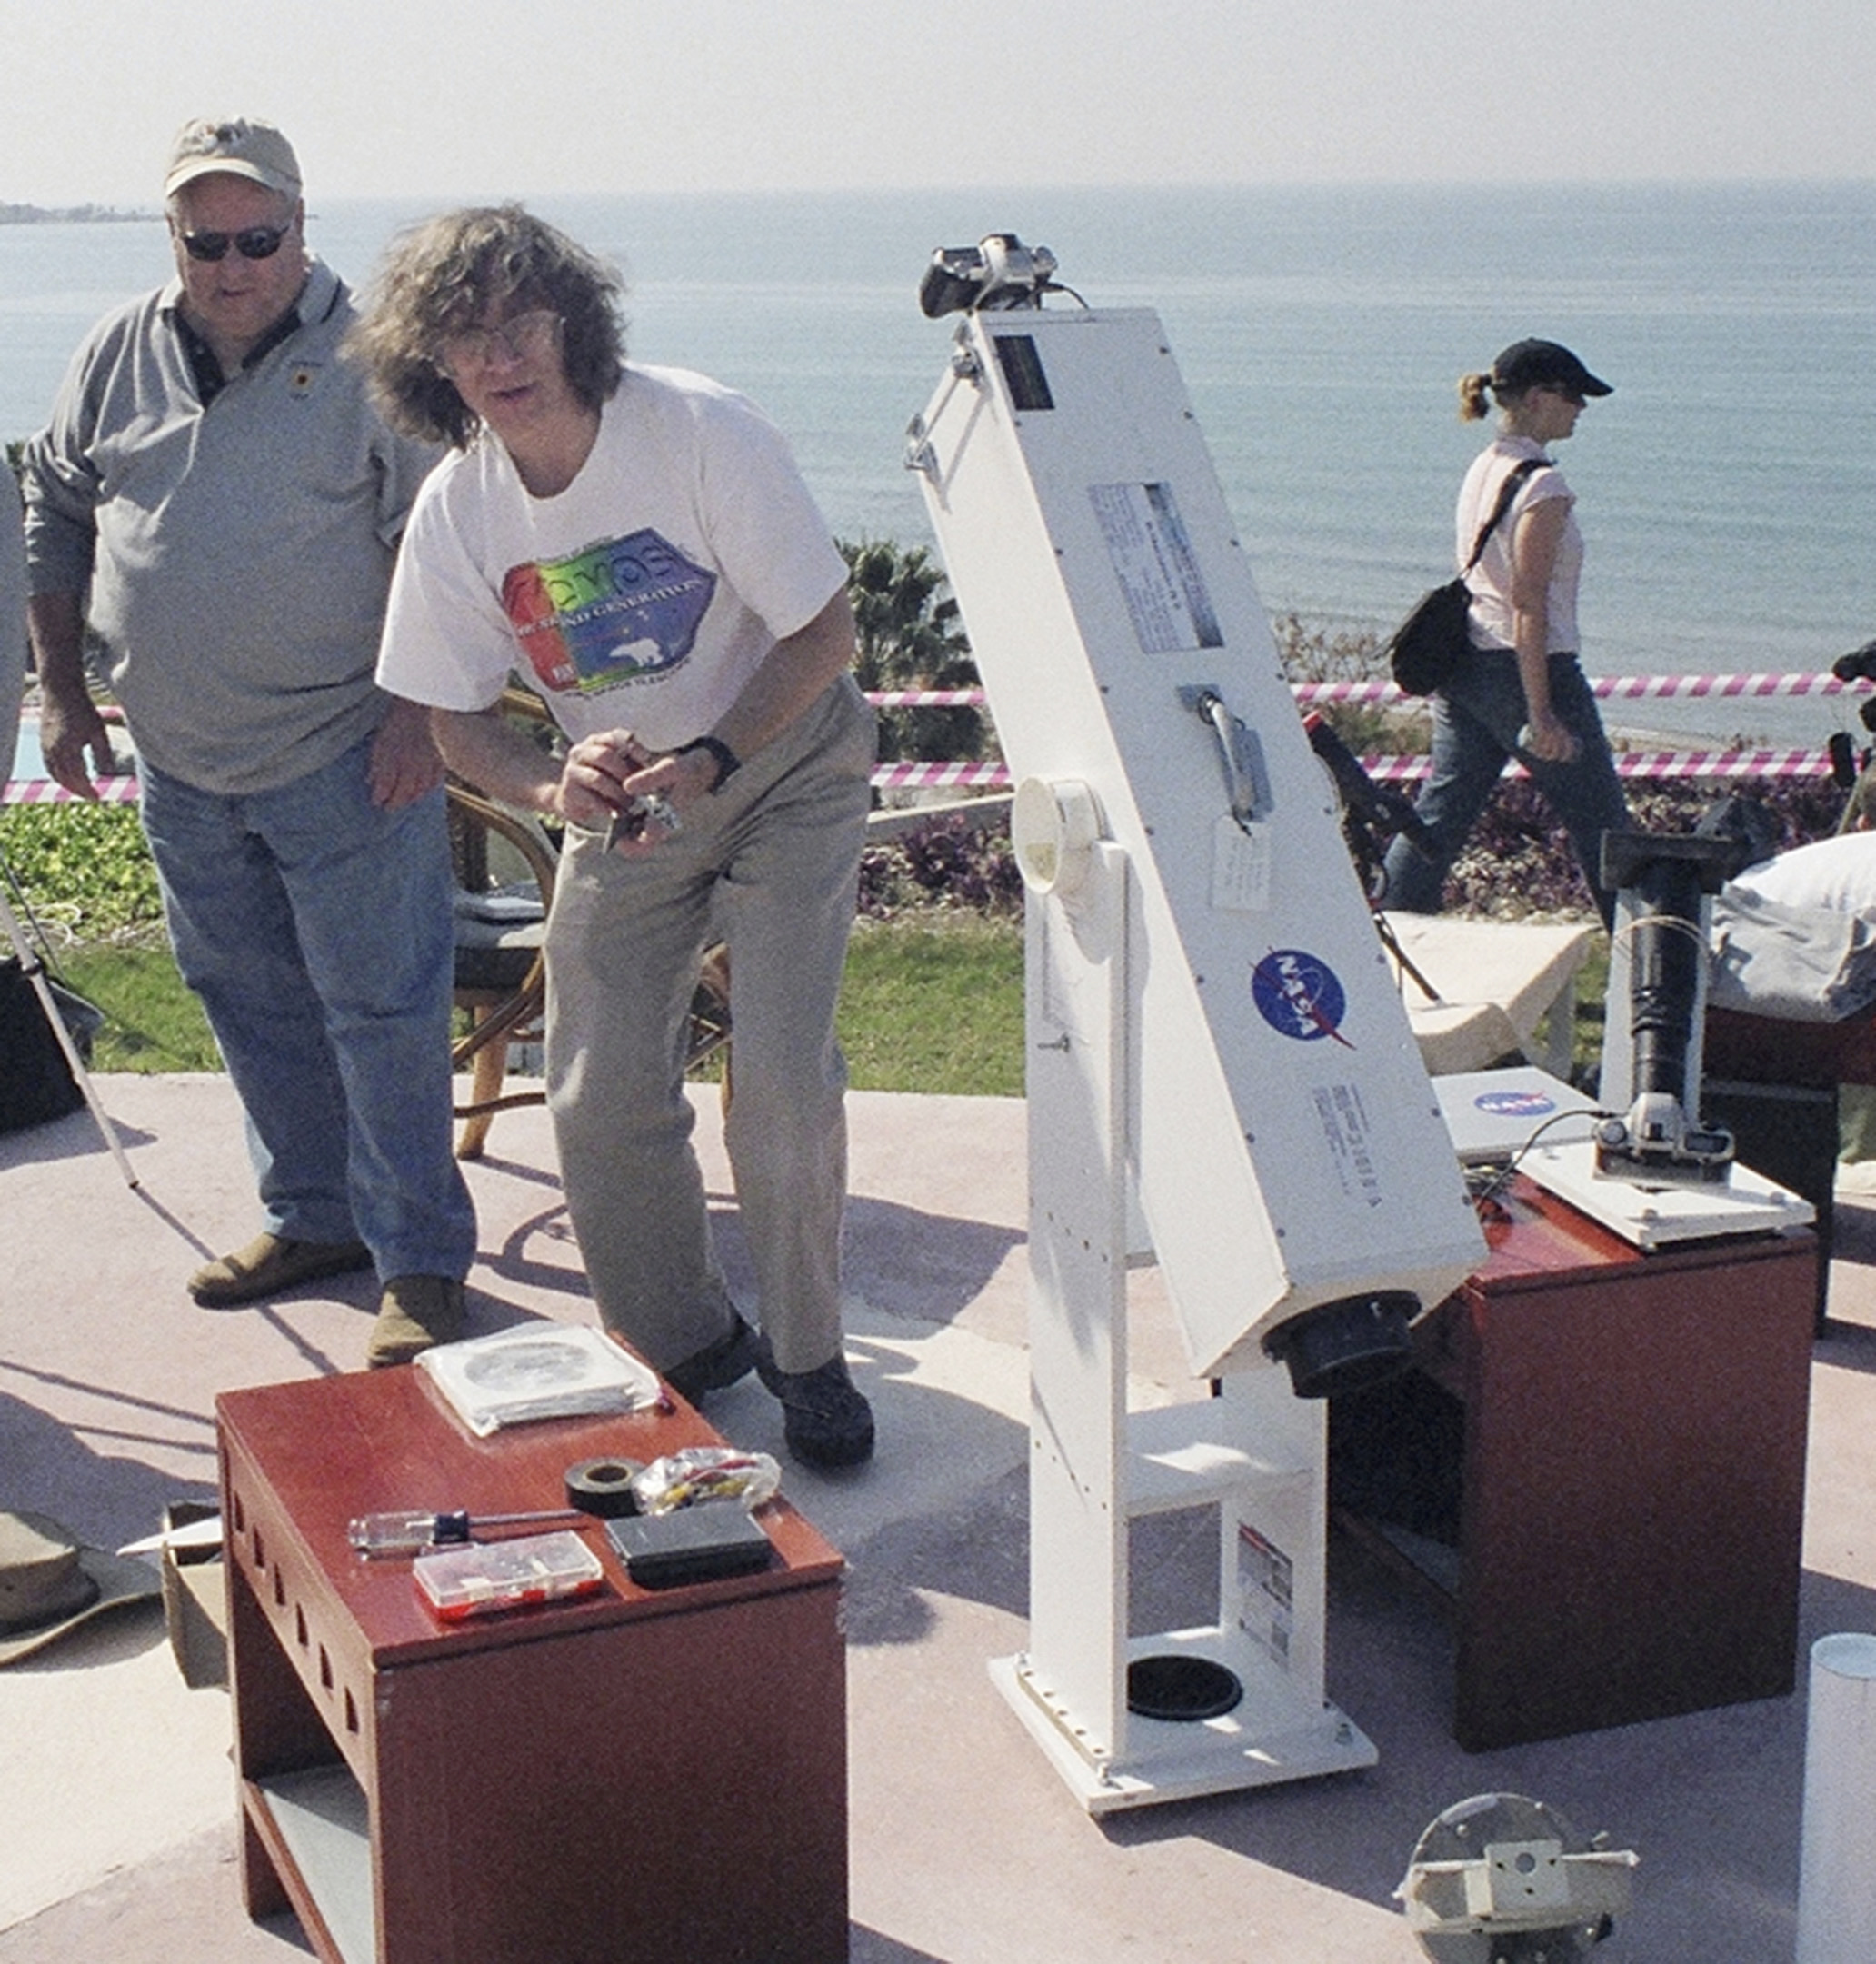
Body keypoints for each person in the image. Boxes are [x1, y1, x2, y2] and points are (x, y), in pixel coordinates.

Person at [354, 206, 878, 1468]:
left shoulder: (699, 429)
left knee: (781, 1073)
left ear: (575, 321)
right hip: (638, 804)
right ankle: (688, 1340)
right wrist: (551, 783)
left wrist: (716, 757)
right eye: (463, 334)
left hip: (786, 761)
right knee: (594, 1091)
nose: (497, 355)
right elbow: (455, 717)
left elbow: (825, 636)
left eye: (520, 319)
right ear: (431, 362)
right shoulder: (459, 510)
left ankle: (810, 1360)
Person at [19, 116, 474, 1367]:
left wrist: (415, 717)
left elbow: (444, 548)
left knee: (381, 1010)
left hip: (345, 749)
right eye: (203, 240)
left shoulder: (378, 360)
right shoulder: (118, 349)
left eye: (257, 237)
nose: (231, 264)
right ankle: (313, 1219)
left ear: (301, 226)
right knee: (249, 1001)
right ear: (174, 239)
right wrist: (61, 690)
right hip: (180, 761)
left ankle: (423, 1261)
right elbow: (53, 499)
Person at [1382, 338, 1630, 931]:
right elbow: (1528, 601)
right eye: (1573, 395)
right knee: (1605, 826)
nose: (1581, 408)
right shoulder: (1543, 485)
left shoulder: (1486, 465)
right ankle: (1646, 964)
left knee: (1441, 812)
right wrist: (1542, 711)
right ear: (1541, 397)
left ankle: (1382, 930)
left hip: (1465, 661)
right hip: (1524, 667)